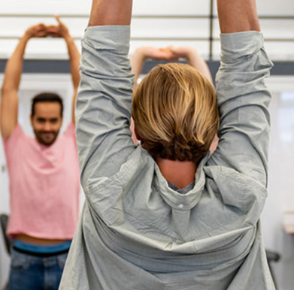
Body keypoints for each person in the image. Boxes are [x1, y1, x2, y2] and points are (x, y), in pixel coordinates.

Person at [60, 0, 275, 288]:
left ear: (135, 122)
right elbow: (246, 75)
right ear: (215, 122)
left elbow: (102, 72)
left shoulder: (107, 187)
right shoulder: (242, 195)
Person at [0, 16, 81, 290]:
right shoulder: (16, 140)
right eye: (41, 120)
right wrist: (25, 39)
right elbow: (9, 89)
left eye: (53, 120)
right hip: (24, 259)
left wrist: (69, 40)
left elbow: (82, 87)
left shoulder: (72, 140)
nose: (47, 127)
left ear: (61, 120)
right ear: (31, 119)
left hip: (67, 258)